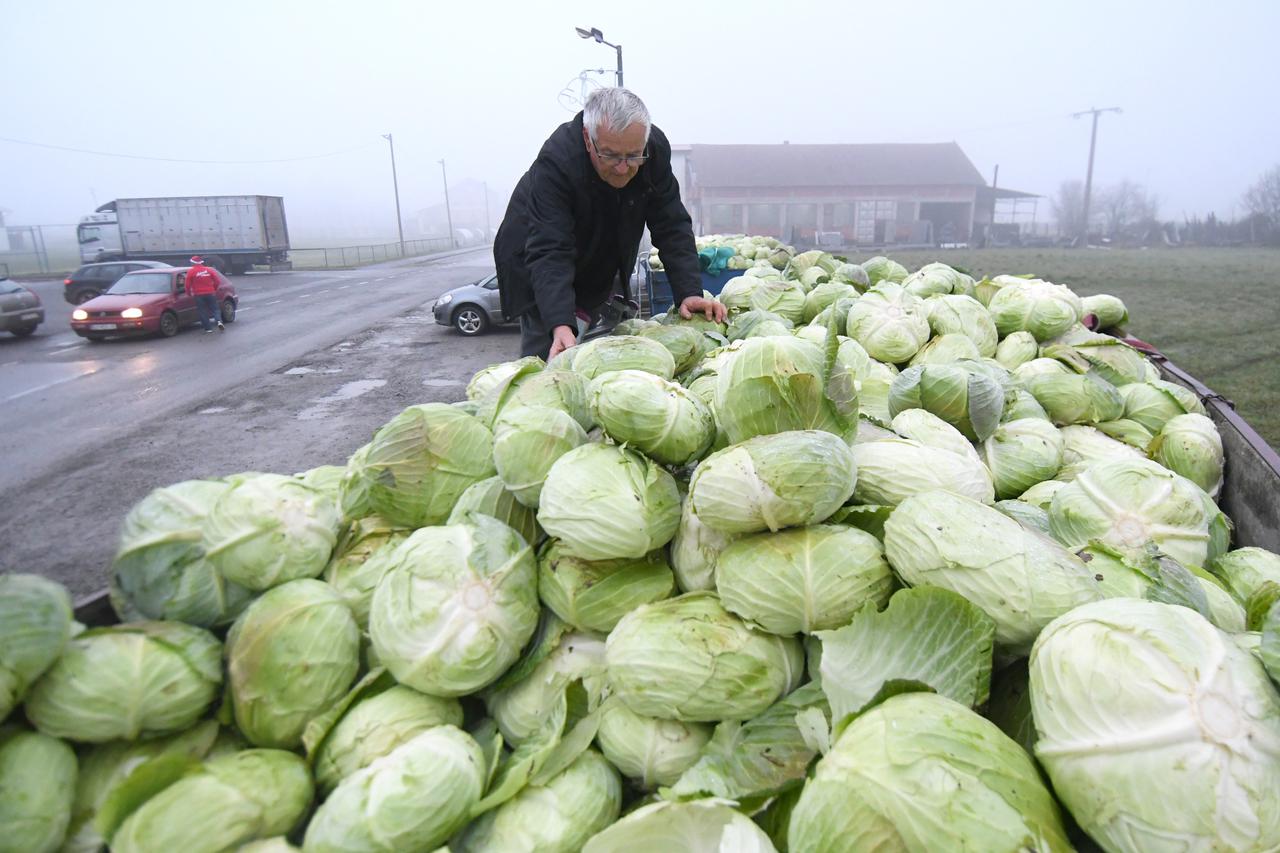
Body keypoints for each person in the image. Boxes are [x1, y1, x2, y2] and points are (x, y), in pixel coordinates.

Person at [494, 87, 725, 360]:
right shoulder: (557, 162)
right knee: (552, 353)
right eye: (611, 155)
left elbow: (671, 224)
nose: (624, 167)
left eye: (633, 156)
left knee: (600, 354)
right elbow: (550, 247)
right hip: (537, 260)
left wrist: (688, 292)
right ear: (587, 138)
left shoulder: (653, 150)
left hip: (597, 247)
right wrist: (560, 323)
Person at [187, 256, 224, 333]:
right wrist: (214, 289)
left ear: (193, 263)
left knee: (203, 311)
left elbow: (187, 285)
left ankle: (208, 329)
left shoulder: (191, 272)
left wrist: (189, 293)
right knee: (215, 309)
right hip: (210, 293)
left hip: (198, 295)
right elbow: (217, 281)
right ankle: (219, 321)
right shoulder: (208, 270)